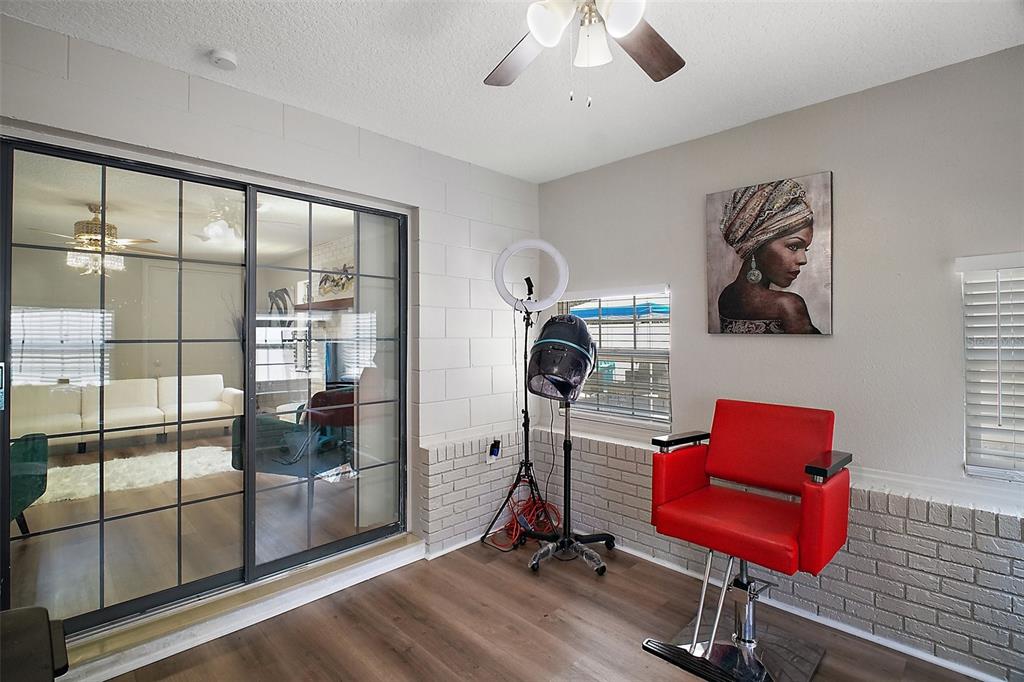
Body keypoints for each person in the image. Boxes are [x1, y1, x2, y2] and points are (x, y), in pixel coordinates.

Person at [717, 178, 820, 334]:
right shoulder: (787, 305)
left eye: (805, 249)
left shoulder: (726, 296)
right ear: (757, 244)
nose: (803, 260)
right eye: (793, 246)